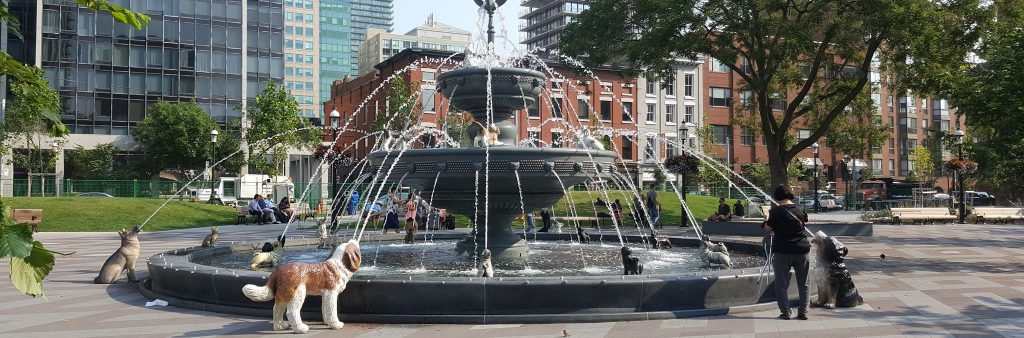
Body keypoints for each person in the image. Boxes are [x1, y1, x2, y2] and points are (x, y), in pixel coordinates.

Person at [762, 185, 811, 321]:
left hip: (783, 251)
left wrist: (766, 218)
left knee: (781, 284)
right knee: (804, 283)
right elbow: (803, 223)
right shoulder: (801, 208)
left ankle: (786, 312)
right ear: (790, 195)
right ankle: (803, 313)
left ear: (776, 197)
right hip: (802, 249)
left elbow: (768, 229)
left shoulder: (775, 211)